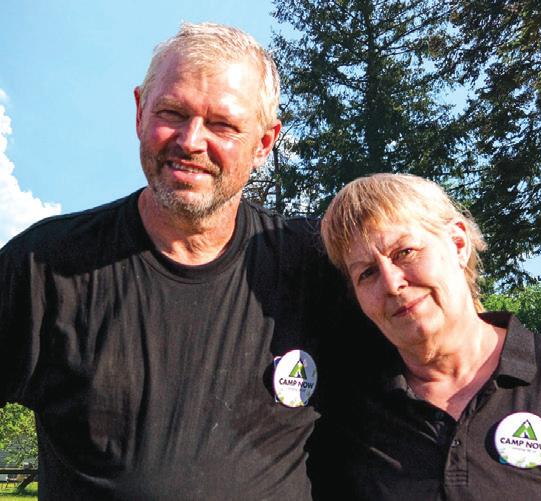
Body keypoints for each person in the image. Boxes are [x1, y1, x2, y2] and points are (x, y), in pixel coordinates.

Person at [0, 22, 351, 500]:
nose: (191, 141)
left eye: (222, 125)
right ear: (139, 112)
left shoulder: (317, 266)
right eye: (172, 112)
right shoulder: (44, 266)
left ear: (264, 143)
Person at [316, 173, 541, 500]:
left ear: (458, 243)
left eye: (405, 252)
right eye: (367, 272)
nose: (392, 284)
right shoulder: (349, 413)